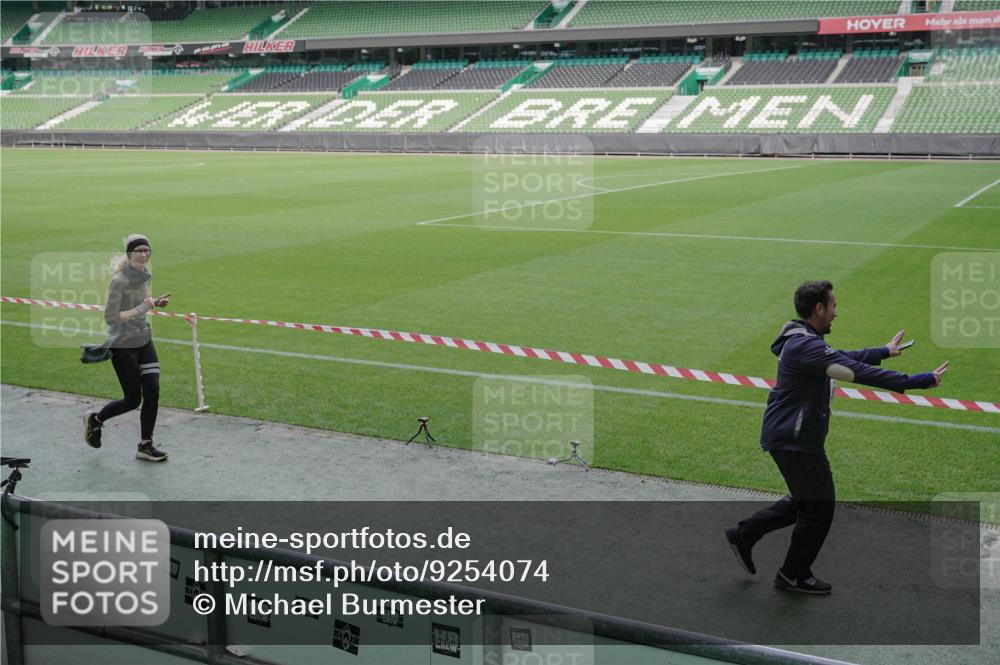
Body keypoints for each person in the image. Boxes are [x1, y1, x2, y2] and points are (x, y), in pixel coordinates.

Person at [725, 280, 947, 594]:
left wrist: (883, 351)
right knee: (819, 507)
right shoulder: (805, 345)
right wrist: (915, 381)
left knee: (804, 501)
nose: (836, 313)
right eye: (833, 306)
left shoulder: (804, 339)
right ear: (818, 309)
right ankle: (792, 574)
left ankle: (744, 534)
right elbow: (855, 370)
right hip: (794, 440)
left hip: (792, 436)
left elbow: (842, 358)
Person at [83, 234, 170, 462]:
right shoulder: (120, 281)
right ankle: (96, 420)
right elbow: (111, 317)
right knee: (133, 399)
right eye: (139, 250)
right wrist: (143, 308)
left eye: (147, 250)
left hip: (143, 339)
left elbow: (142, 302)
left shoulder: (145, 277)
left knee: (153, 390)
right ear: (130, 254)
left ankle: (145, 445)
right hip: (123, 345)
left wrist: (154, 303)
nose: (144, 254)